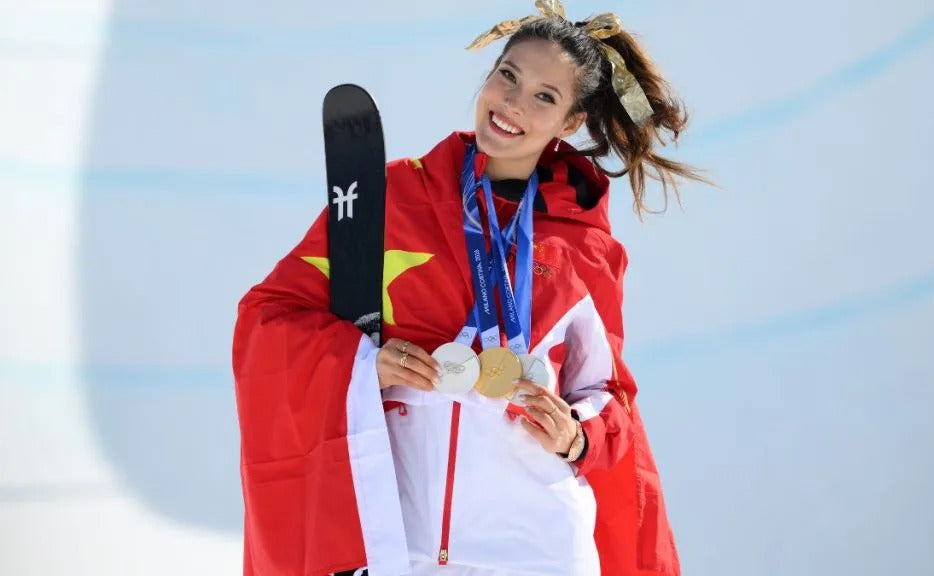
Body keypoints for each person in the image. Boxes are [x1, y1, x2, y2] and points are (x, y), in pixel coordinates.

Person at [232, 1, 703, 574]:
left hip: (537, 543)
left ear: (571, 123)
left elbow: (609, 393)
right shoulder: (393, 199)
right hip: (399, 539)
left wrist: (577, 436)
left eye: (544, 97)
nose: (512, 103)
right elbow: (269, 317)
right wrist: (361, 364)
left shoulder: (584, 246)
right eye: (507, 76)